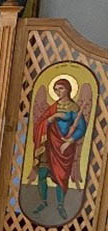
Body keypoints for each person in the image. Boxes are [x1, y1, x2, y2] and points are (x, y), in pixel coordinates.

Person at [30, 77, 88, 219]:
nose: (57, 91)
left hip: (63, 147)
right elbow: (39, 124)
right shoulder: (53, 107)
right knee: (43, 173)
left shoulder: (74, 108)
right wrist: (51, 118)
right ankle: (43, 201)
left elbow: (81, 128)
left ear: (68, 89)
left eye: (60, 88)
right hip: (48, 145)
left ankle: (61, 205)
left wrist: (69, 141)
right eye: (55, 89)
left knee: (60, 176)